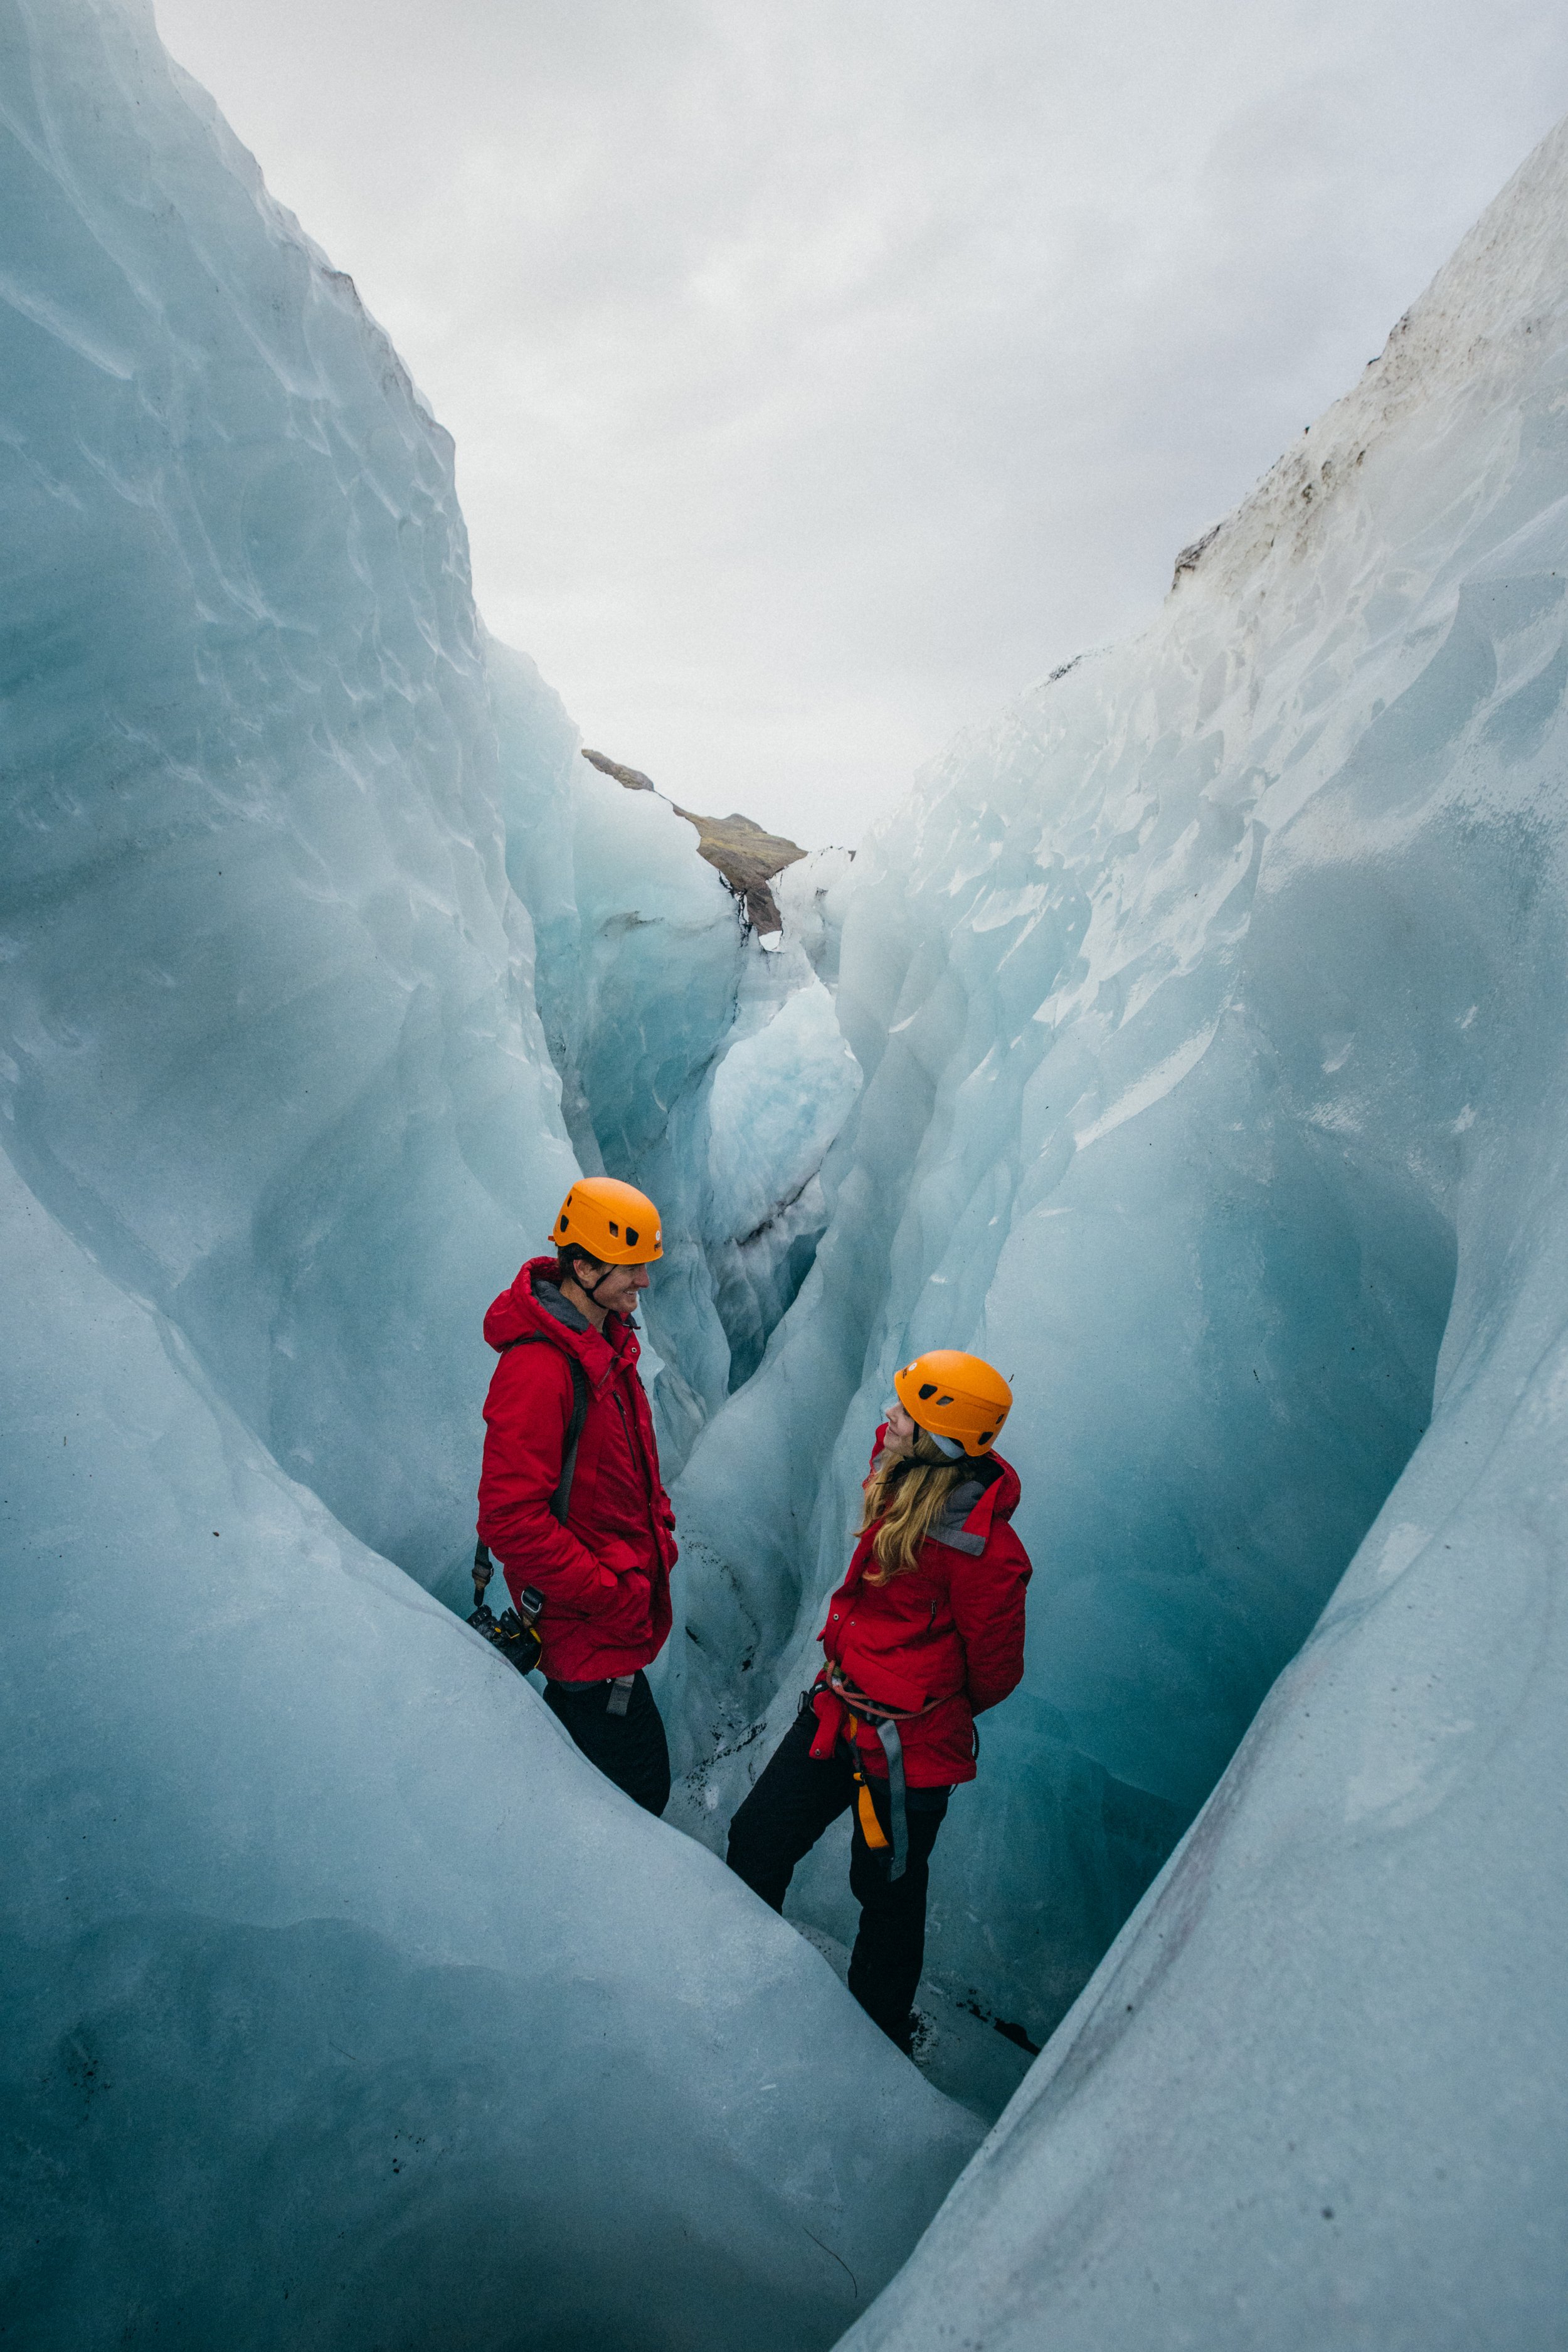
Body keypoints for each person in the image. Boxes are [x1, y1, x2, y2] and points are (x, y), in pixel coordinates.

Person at [726, 1350, 1030, 2053]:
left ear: (937, 1444)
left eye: (905, 1413)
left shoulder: (986, 1555)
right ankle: (743, 1985)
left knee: (888, 1897)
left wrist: (915, 1699)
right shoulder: (896, 1475)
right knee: (758, 1839)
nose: (886, 1417)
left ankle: (877, 2036)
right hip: (837, 1711)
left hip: (909, 1751)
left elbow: (995, 1672)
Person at [477, 1176, 677, 1814]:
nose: (643, 1282)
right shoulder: (539, 1369)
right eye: (631, 1268)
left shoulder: (604, 1345)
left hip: (608, 1607)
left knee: (589, 1776)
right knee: (639, 1793)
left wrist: (659, 1532)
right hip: (588, 1620)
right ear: (584, 1266)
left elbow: (629, 1466)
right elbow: (510, 1521)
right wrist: (607, 1591)